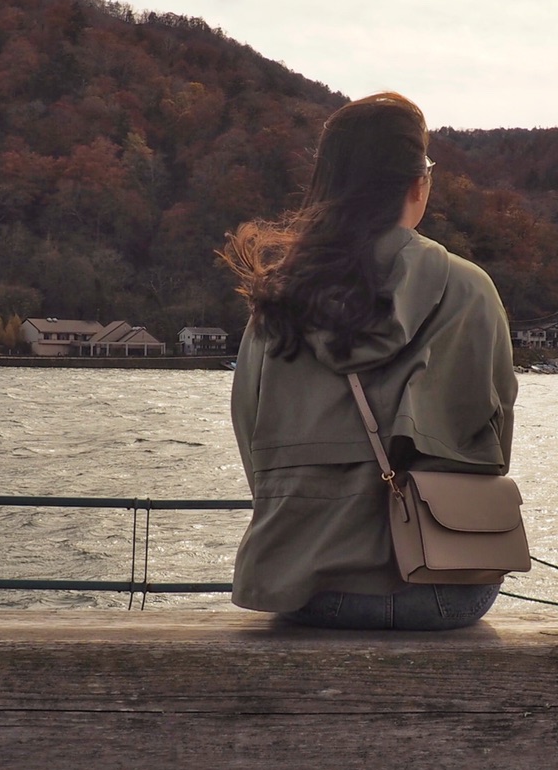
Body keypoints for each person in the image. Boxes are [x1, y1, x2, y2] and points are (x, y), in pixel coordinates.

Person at [221, 92, 518, 629]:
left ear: (328, 187)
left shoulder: (278, 298)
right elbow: (495, 448)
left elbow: (252, 443)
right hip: (447, 590)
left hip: (306, 587)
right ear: (417, 182)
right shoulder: (472, 290)